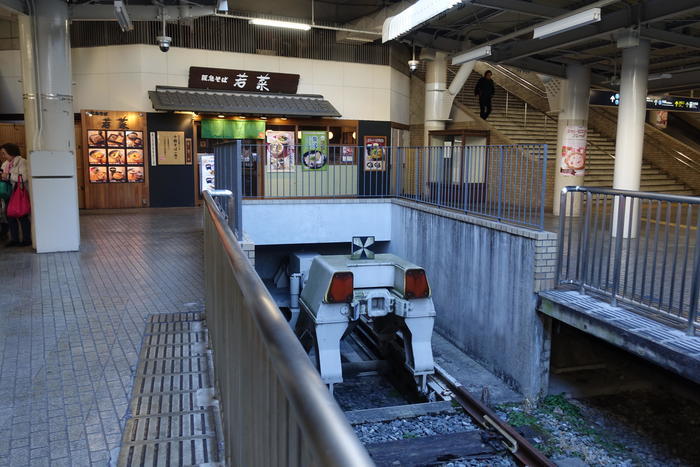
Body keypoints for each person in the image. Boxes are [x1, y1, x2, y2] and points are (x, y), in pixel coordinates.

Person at [0, 143, 31, 247]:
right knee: (10, 216)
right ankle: (14, 239)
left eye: (4, 153)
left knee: (22, 216)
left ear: (11, 152)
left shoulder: (22, 162)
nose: (3, 156)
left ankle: (27, 239)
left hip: (18, 194)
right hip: (8, 193)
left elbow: (24, 177)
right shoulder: (5, 164)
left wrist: (8, 175)